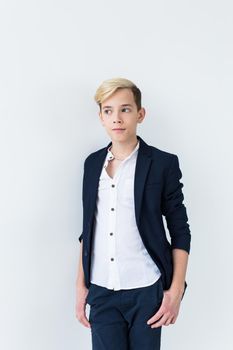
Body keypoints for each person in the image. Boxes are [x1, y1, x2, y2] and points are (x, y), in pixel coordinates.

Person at [75, 77, 191, 349]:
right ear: (101, 117)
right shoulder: (92, 164)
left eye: (125, 109)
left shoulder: (163, 164)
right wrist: (80, 287)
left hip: (146, 290)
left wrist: (175, 291)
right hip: (102, 291)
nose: (117, 118)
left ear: (140, 114)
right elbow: (88, 230)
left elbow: (180, 230)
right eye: (108, 110)